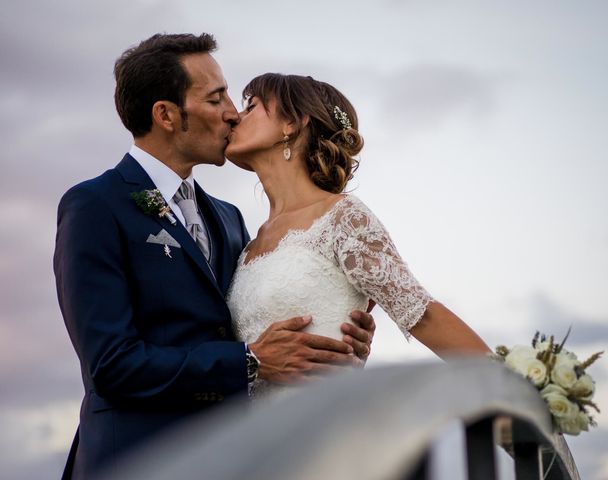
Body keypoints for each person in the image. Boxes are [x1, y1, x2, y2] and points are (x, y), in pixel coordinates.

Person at [53, 34, 375, 480]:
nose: (233, 112)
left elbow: (253, 318)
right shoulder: (95, 205)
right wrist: (249, 362)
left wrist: (337, 336)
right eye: (216, 97)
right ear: (166, 115)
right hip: (134, 462)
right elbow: (111, 365)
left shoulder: (229, 218)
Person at [224, 73, 492, 399]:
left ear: (291, 124)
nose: (234, 117)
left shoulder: (343, 219)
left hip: (318, 427)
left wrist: (520, 393)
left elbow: (422, 313)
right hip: (249, 438)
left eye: (251, 106)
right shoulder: (249, 242)